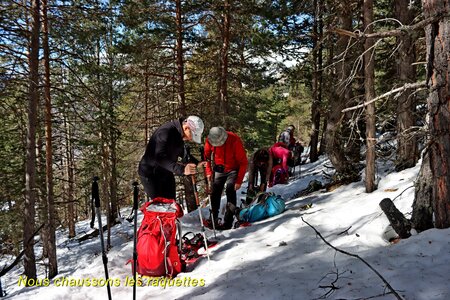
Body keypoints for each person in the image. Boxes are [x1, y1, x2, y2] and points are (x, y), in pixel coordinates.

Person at [138, 115, 204, 200]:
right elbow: (159, 157)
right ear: (187, 128)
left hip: (166, 171)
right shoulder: (165, 132)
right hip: (151, 173)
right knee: (160, 206)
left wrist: (196, 162)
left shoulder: (179, 134)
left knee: (171, 204)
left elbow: (181, 152)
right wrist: (182, 169)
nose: (191, 139)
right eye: (192, 135)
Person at [204, 127, 248, 229]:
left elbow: (243, 162)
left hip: (233, 169)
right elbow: (206, 157)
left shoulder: (234, 140)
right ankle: (213, 219)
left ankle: (228, 221)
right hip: (219, 169)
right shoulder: (210, 139)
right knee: (215, 193)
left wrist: (239, 180)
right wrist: (209, 171)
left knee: (230, 190)